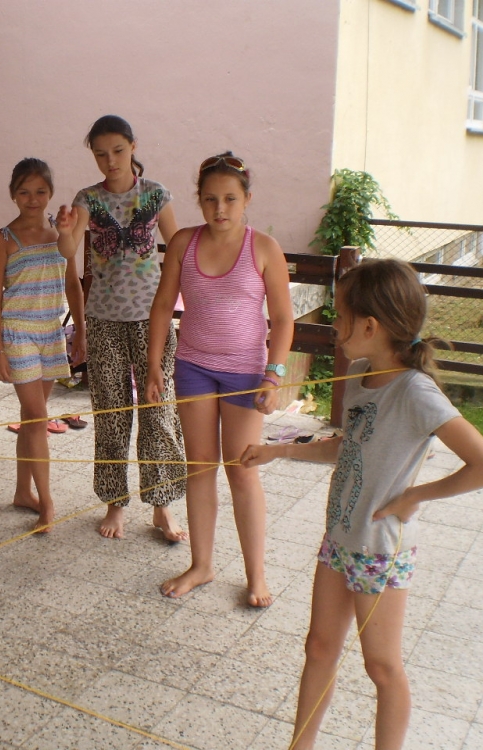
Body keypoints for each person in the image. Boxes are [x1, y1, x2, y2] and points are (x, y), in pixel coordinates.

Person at [240, 259, 483, 750]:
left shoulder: (416, 391)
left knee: (381, 666)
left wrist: (414, 497)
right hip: (340, 538)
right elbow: (349, 446)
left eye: (340, 316)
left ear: (369, 326)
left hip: (379, 549)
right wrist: (279, 451)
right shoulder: (361, 374)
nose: (333, 325)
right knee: (320, 647)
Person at [146, 153, 294, 607]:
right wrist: (154, 365)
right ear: (199, 200)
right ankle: (202, 565)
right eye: (210, 199)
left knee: (242, 471)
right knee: (200, 467)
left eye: (230, 198)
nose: (219, 208)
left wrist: (273, 376)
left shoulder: (264, 247)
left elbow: (283, 319)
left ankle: (256, 575)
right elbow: (162, 305)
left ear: (247, 198)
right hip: (192, 367)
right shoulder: (183, 243)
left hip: (245, 373)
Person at [56, 114, 187, 541]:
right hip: (104, 321)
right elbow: (68, 249)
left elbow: (180, 249)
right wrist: (64, 231)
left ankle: (162, 506)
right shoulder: (88, 198)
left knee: (159, 411)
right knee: (111, 415)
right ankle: (115, 503)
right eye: (100, 154)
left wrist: (188, 305)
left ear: (133, 146)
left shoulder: (155, 194)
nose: (110, 161)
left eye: (117, 150)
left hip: (153, 319)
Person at [0, 158, 86, 532]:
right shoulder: (3, 239)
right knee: (38, 416)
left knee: (31, 419)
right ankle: (47, 503)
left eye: (40, 191)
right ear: (13, 195)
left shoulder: (61, 235)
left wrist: (81, 331)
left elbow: (73, 284)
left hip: (50, 332)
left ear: (51, 193)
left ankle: (22, 492)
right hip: (18, 334)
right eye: (25, 192)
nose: (33, 199)